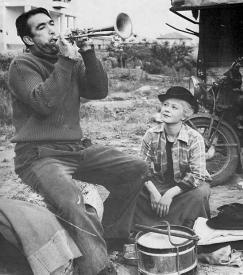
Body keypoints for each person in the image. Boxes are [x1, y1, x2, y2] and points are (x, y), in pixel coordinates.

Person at [8, 8, 148, 275]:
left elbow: (98, 91)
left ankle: (111, 237)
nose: (52, 30)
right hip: (39, 156)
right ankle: (99, 268)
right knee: (73, 201)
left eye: (52, 24)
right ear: (28, 40)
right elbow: (43, 102)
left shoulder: (69, 60)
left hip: (75, 148)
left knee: (135, 168)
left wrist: (87, 53)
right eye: (41, 28)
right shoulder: (22, 65)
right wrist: (66, 61)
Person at [133, 86, 211, 229]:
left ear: (184, 115)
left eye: (174, 107)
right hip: (158, 184)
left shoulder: (195, 138)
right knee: (132, 188)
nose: (167, 109)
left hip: (183, 188)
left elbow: (198, 175)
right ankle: (145, 227)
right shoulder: (151, 135)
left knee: (201, 192)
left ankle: (187, 226)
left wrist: (169, 194)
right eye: (165, 105)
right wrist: (153, 192)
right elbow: (140, 168)